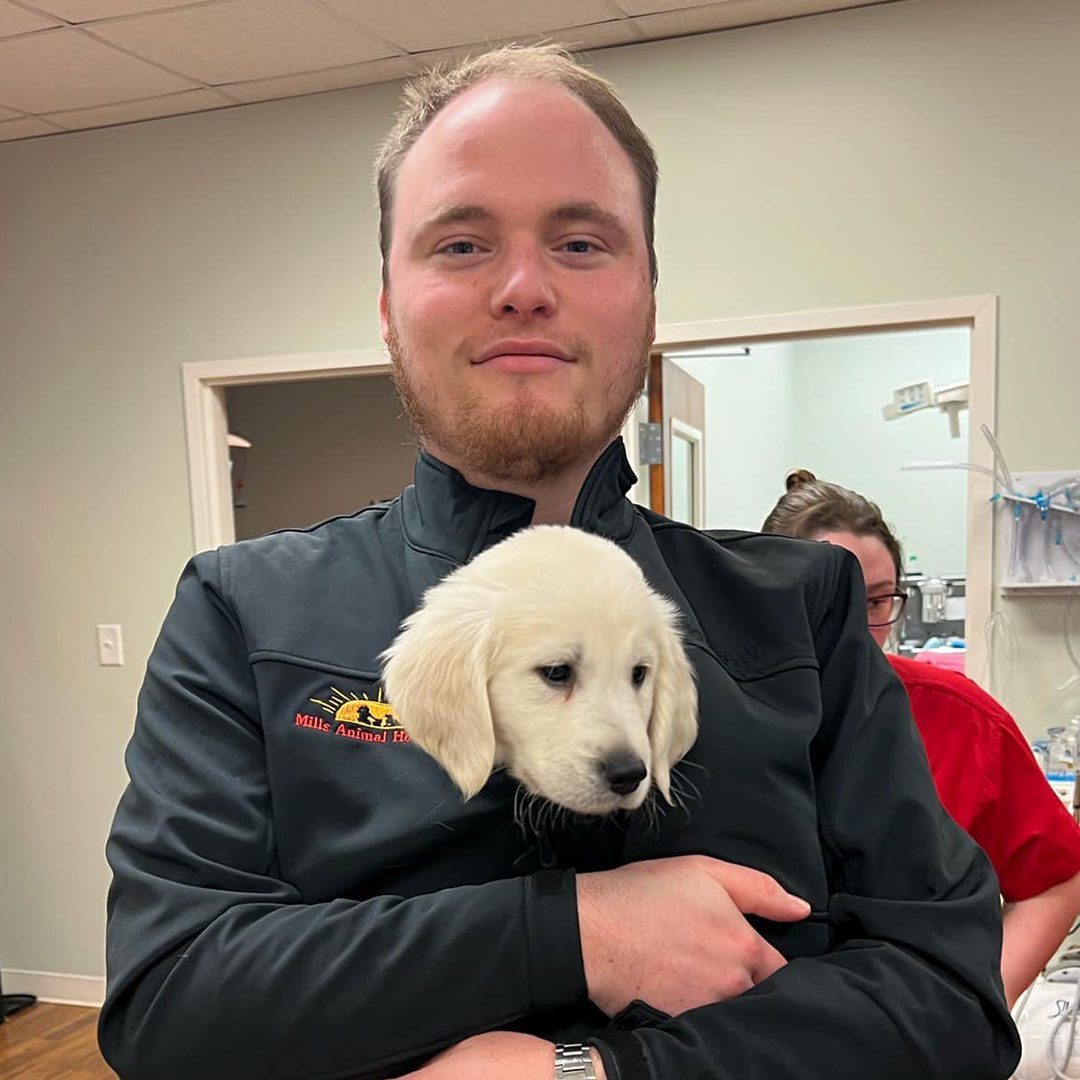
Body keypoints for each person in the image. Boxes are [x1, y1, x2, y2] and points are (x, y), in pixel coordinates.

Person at [99, 45, 1020, 1080]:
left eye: (582, 242)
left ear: (650, 301)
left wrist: (594, 1074)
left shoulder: (800, 607)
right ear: (388, 306)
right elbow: (169, 1006)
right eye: (460, 243)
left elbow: (950, 1000)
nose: (524, 287)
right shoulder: (243, 611)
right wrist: (576, 931)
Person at [762, 468, 1080, 1008]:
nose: (856, 633)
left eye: (878, 603)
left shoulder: (961, 720)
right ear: (763, 596)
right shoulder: (706, 720)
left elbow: (1056, 878)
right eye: (828, 603)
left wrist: (976, 1007)